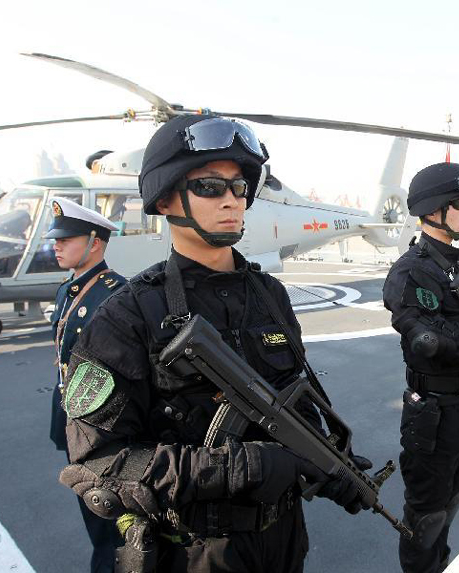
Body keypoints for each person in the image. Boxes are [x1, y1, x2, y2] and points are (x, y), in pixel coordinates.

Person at [58, 115, 370, 572]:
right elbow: (98, 462)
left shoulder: (270, 296)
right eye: (209, 187)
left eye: (239, 187)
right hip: (196, 551)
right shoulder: (126, 315)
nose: (232, 200)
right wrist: (242, 468)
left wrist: (326, 461)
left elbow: (291, 395)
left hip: (283, 540)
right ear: (165, 198)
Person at [382, 162, 459, 573]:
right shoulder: (411, 271)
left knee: (451, 498)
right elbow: (426, 340)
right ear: (434, 209)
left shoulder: (455, 265)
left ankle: (438, 562)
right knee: (426, 512)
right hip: (434, 411)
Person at [47, 198, 125, 573]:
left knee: (111, 521)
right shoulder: (68, 290)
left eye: (66, 239)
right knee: (93, 516)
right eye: (57, 240)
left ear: (95, 242)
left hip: (102, 432)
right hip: (73, 422)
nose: (56, 245)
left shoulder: (116, 294)